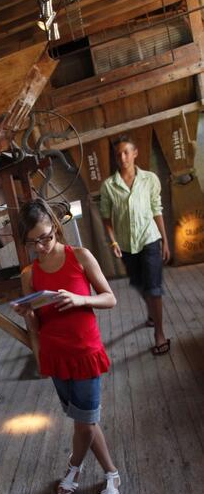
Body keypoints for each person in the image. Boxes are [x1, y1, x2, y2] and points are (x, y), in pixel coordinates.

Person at [13, 199, 120, 494]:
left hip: (85, 351)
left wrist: (79, 299)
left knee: (84, 423)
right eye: (33, 242)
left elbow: (110, 298)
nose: (41, 246)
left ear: (56, 228)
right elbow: (35, 322)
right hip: (55, 354)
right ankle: (111, 472)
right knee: (83, 419)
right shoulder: (28, 274)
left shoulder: (80, 257)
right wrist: (27, 313)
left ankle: (74, 467)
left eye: (46, 237)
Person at [100, 135, 171, 355]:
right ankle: (151, 311)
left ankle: (159, 333)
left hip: (149, 239)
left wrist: (165, 241)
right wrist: (112, 240)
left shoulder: (149, 179)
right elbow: (106, 217)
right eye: (118, 154)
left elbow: (156, 210)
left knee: (154, 288)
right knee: (140, 284)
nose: (122, 157)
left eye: (126, 152)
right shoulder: (109, 186)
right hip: (126, 245)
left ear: (135, 153)